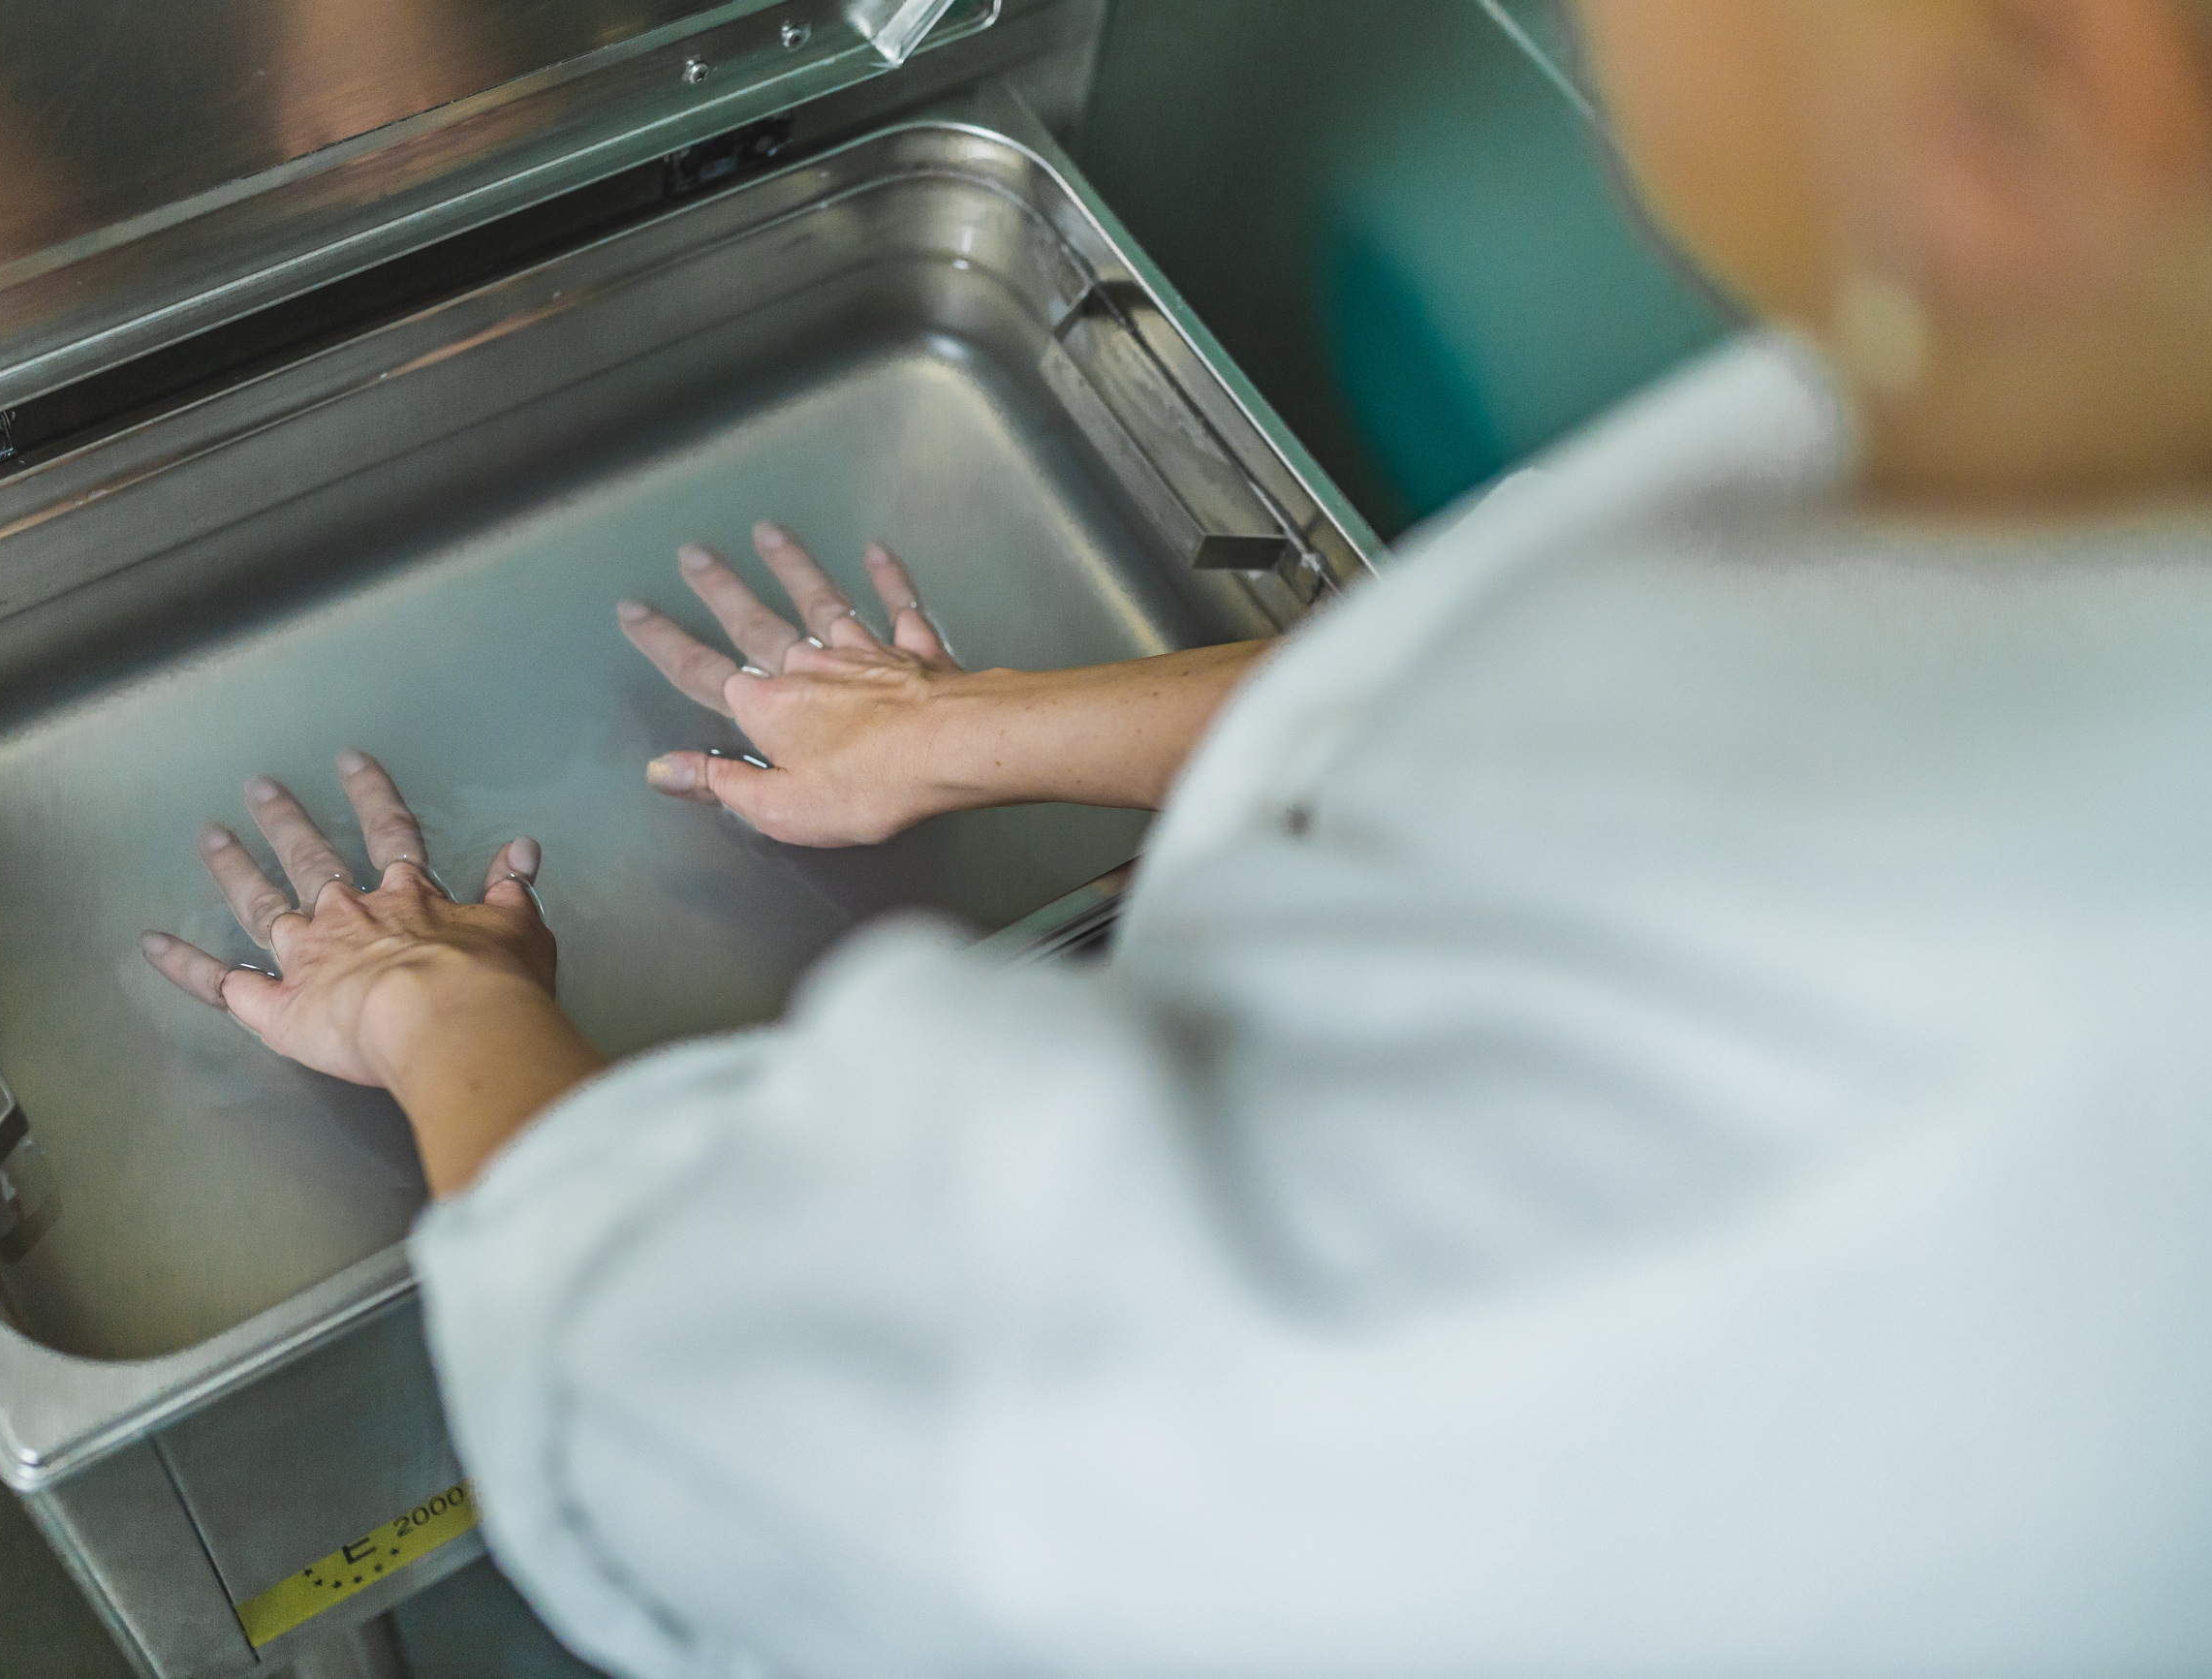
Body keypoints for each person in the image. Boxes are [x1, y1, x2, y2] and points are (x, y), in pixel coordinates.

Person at [139, 2, 2212, 1671]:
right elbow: (1694, 697)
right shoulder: (2067, 367)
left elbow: (706, 1406)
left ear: (2065, 62)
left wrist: (440, 1011)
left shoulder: (1726, 1183)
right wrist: (966, 734)